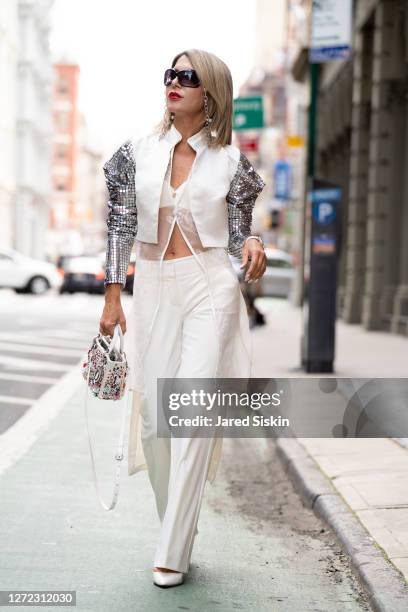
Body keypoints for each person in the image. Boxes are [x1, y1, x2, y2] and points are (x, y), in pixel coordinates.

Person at [99, 48, 266, 588]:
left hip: (210, 288)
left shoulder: (232, 164)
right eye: (170, 74)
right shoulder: (136, 152)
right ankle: (179, 526)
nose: (174, 82)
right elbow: (120, 225)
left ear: (210, 92)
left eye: (187, 76)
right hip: (153, 287)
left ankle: (170, 550)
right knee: (153, 422)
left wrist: (255, 242)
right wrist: (111, 295)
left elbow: (239, 230)